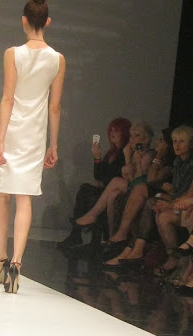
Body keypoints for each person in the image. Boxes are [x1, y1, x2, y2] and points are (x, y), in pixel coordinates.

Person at [0, 0, 66, 293]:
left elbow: (7, 98)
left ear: (24, 21)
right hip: (35, 133)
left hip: (10, 129)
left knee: (3, 196)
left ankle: (1, 262)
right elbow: (55, 107)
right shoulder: (58, 60)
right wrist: (53, 144)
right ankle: (17, 265)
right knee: (25, 198)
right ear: (47, 22)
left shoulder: (12, 53)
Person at [103, 125, 193, 273]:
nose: (176, 145)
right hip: (176, 201)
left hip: (184, 206)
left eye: (181, 141)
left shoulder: (174, 162)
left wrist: (170, 202)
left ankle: (133, 246)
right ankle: (132, 247)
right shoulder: (178, 162)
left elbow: (150, 179)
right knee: (149, 200)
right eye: (174, 141)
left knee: (149, 199)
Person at [58, 117, 131, 249]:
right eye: (111, 130)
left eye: (116, 130)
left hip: (116, 191)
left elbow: (118, 176)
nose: (112, 133)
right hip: (106, 188)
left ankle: (87, 236)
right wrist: (97, 156)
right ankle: (77, 234)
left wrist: (103, 183)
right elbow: (99, 176)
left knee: (89, 193)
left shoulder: (126, 153)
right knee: (85, 189)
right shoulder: (112, 153)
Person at [73, 121, 155, 237]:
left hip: (139, 190)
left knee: (114, 182)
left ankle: (92, 215)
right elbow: (102, 175)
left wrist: (127, 158)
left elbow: (136, 181)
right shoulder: (115, 153)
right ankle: (111, 236)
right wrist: (97, 156)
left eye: (137, 136)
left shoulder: (147, 155)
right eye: (131, 136)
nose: (132, 139)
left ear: (146, 139)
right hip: (123, 187)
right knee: (112, 195)